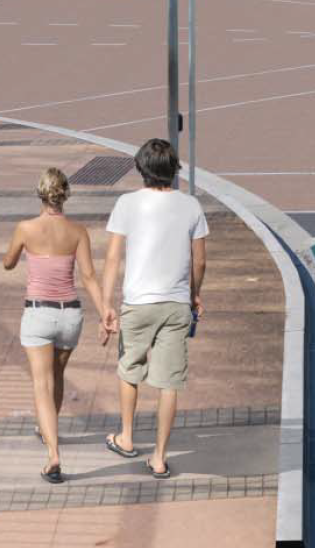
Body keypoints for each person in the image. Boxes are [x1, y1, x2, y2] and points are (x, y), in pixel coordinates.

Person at [102, 139, 207, 477]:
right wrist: (194, 294)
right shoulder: (191, 206)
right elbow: (200, 260)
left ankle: (127, 437)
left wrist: (106, 303)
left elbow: (114, 257)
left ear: (141, 169)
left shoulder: (127, 203)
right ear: (173, 170)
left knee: (129, 368)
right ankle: (160, 457)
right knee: (169, 383)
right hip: (176, 304)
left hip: (137, 303)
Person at [5, 167, 107, 483]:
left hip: (38, 314)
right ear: (65, 196)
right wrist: (105, 312)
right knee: (57, 376)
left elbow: (7, 263)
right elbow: (89, 276)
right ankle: (46, 428)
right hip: (70, 315)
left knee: (41, 383)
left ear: (40, 194)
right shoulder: (78, 232)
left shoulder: (25, 228)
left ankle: (53, 455)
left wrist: (23, 252)